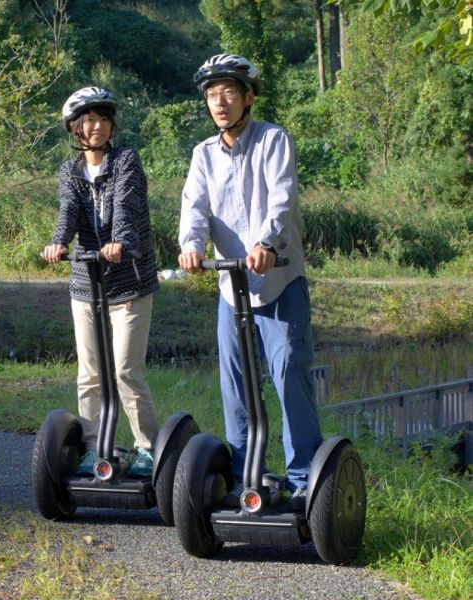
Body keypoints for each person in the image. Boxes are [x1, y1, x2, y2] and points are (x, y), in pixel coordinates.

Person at [177, 54, 322, 511]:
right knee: (235, 385)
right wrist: (191, 246)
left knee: (288, 376)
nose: (219, 103)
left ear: (248, 97)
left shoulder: (274, 140)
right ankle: (244, 475)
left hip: (278, 280)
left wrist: (264, 242)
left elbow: (281, 199)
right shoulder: (203, 154)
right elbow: (194, 208)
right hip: (230, 287)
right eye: (212, 96)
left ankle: (303, 481)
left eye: (228, 94)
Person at [43, 86, 160, 477]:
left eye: (102, 119)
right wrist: (59, 242)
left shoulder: (126, 160)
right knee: (90, 373)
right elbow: (69, 210)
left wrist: (121, 243)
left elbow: (126, 205)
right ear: (75, 128)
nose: (95, 127)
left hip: (129, 280)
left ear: (112, 125)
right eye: (87, 121)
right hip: (85, 284)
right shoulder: (70, 171)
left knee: (126, 370)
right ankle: (94, 447)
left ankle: (148, 448)